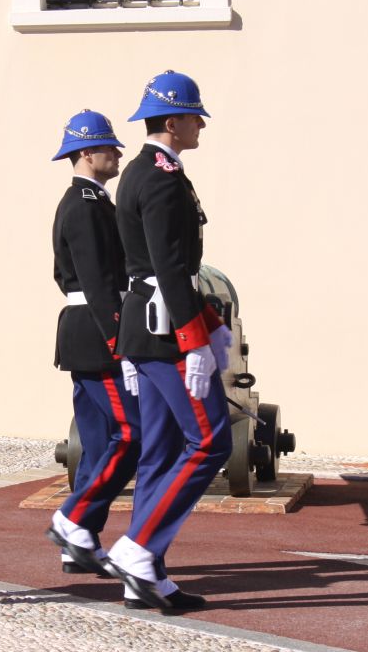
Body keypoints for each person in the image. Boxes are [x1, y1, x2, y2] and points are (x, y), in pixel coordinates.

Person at [104, 71, 233, 613]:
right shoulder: (160, 177)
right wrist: (195, 338)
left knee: (158, 452)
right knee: (210, 443)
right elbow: (168, 265)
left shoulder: (144, 171)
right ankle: (138, 548)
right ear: (174, 121)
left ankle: (146, 577)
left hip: (150, 324)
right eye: (194, 116)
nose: (201, 124)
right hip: (165, 332)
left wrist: (210, 322)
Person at [43, 110, 141, 580]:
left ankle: (79, 541)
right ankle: (73, 518)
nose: (117, 152)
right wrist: (121, 343)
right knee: (133, 433)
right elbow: (99, 282)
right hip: (100, 333)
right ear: (87, 152)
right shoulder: (84, 204)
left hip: (90, 330)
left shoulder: (92, 201)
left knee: (100, 443)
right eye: (109, 146)